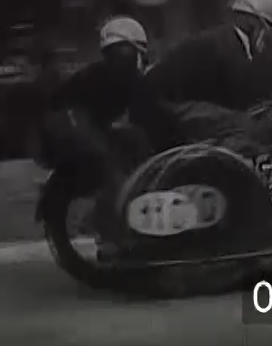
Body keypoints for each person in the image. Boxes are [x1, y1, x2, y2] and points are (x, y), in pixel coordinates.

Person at [42, 16, 179, 249]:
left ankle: (111, 228)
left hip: (57, 131)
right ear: (133, 50)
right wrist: (175, 137)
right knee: (115, 174)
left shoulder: (100, 72)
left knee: (123, 147)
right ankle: (114, 239)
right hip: (73, 129)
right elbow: (149, 113)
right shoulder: (125, 73)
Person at [144, 0, 272, 155]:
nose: (267, 34)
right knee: (245, 129)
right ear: (251, 21)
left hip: (174, 106)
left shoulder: (228, 43)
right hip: (167, 108)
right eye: (267, 25)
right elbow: (245, 85)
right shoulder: (224, 44)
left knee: (245, 124)